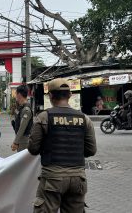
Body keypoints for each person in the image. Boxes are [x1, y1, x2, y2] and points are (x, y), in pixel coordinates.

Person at [28, 78, 96, 213]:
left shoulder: (43, 117)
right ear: (70, 95)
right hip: (78, 179)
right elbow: (91, 150)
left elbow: (33, 149)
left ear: (51, 96)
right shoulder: (84, 118)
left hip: (52, 179)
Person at [11, 85, 33, 152]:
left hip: (24, 141)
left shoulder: (26, 110)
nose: (15, 96)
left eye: (16, 93)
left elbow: (22, 128)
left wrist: (15, 142)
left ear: (19, 95)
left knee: (24, 162)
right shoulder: (21, 107)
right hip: (21, 139)